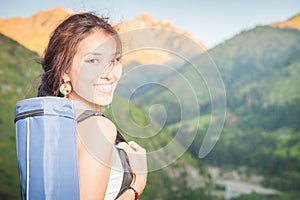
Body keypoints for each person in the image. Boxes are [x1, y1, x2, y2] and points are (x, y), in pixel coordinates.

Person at [37, 12, 147, 200]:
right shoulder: (97, 128)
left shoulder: (52, 122)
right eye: (93, 61)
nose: (109, 74)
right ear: (64, 72)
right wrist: (137, 185)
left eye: (115, 60)